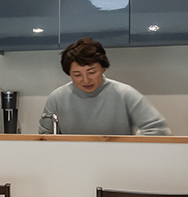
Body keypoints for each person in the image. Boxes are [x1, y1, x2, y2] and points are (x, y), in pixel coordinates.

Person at [41, 38, 170, 135]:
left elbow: (158, 130)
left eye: (92, 72)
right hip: (71, 160)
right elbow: (44, 138)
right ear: (69, 73)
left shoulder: (125, 94)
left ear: (103, 68)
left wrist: (131, 150)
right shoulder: (57, 98)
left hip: (118, 160)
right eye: (77, 74)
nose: (86, 80)